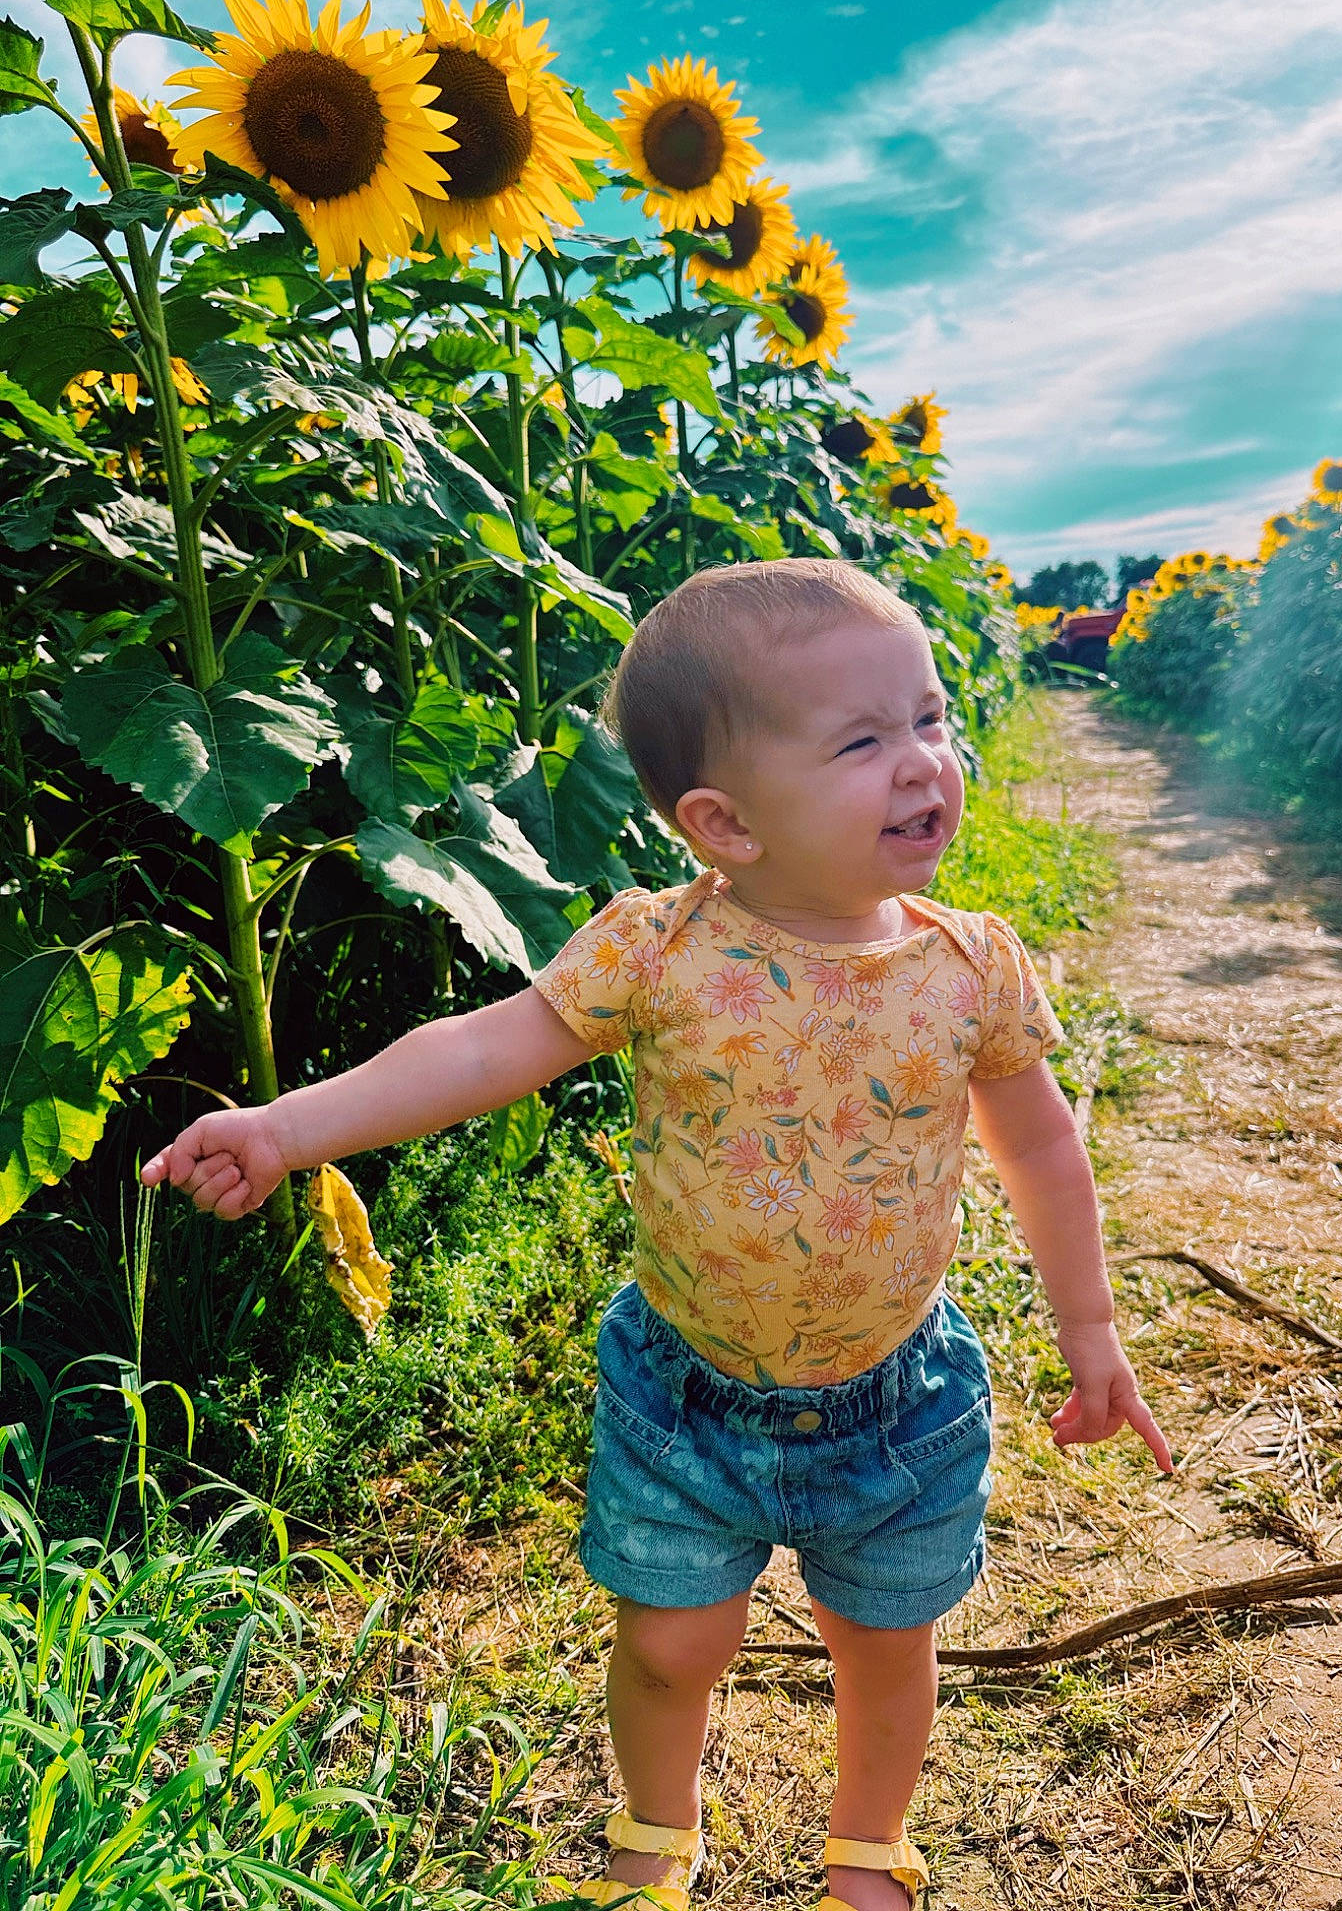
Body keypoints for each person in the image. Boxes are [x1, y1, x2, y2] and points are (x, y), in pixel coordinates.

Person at [142, 559, 1173, 1911]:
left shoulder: (968, 965)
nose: (925, 761)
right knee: (672, 1645)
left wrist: (1089, 1327)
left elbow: (1037, 1142)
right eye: (864, 740)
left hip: (896, 1397)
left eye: (928, 717)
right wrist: (289, 1130)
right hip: (685, 1401)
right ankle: (656, 1832)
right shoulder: (658, 951)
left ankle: (868, 1845)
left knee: (886, 1643)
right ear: (724, 824)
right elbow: (476, 1050)